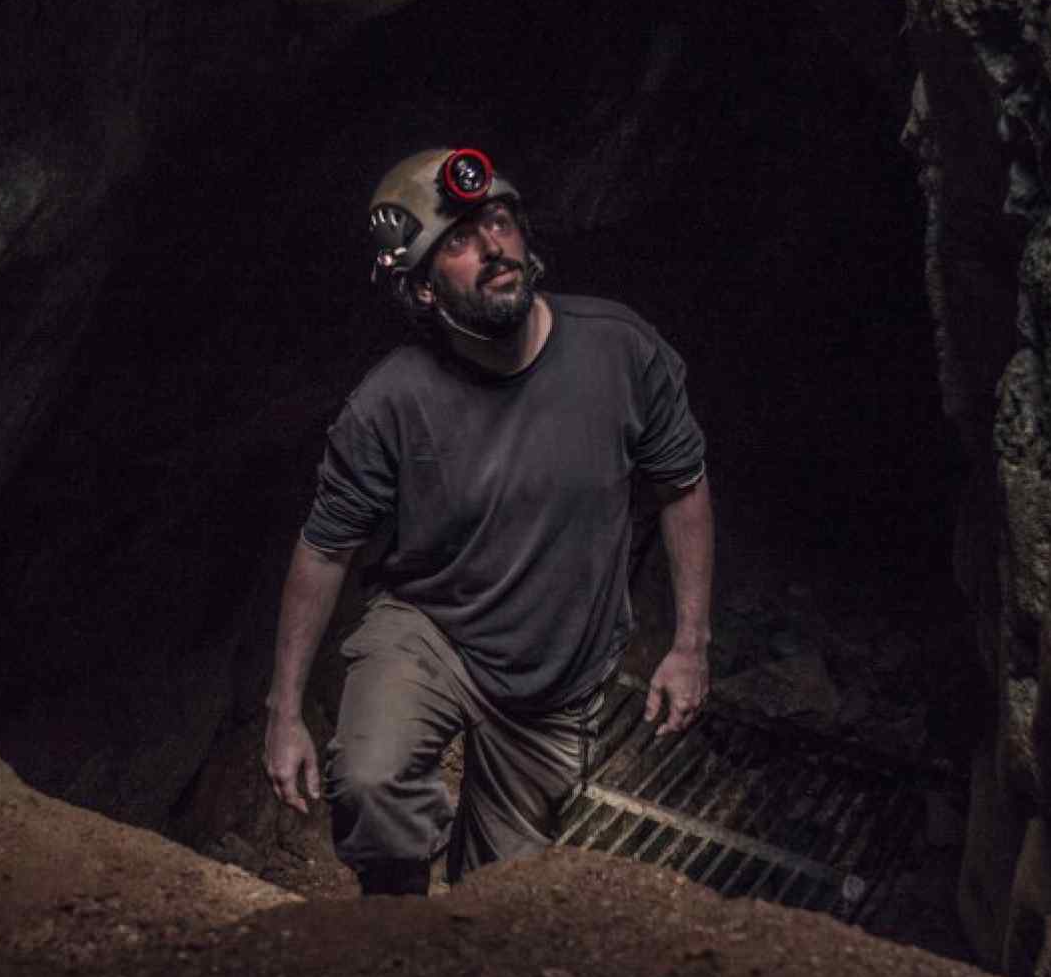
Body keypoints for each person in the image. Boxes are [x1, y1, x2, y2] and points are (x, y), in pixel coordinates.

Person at [263, 147, 714, 896]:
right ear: (426, 294)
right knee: (371, 789)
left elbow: (683, 484)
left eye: (498, 223)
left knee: (499, 899)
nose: (493, 247)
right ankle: (396, 925)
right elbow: (324, 548)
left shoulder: (619, 349)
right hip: (431, 629)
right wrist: (284, 712)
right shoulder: (390, 403)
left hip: (555, 670)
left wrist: (691, 645)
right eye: (460, 243)